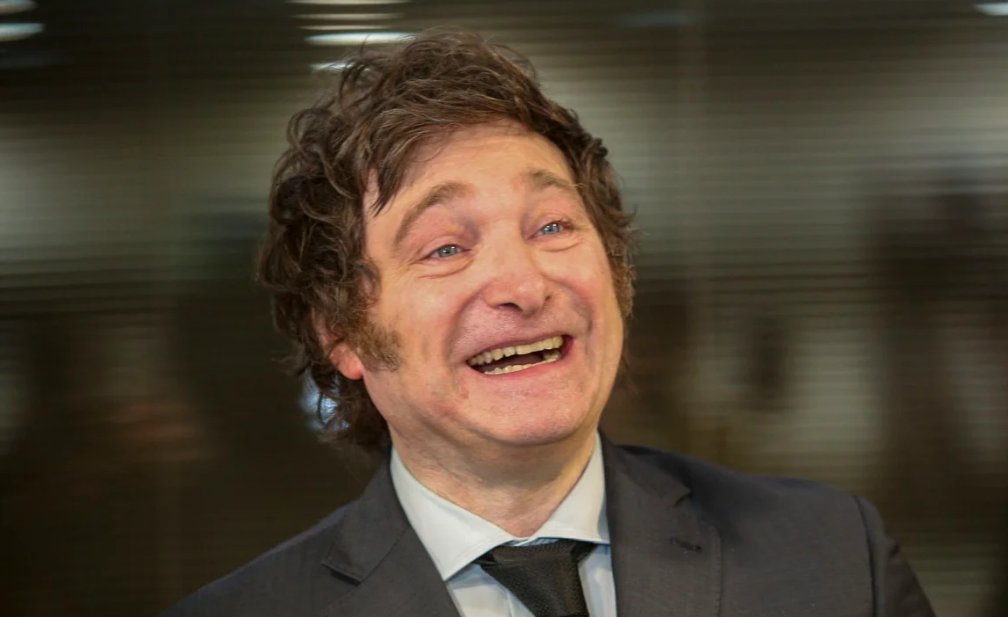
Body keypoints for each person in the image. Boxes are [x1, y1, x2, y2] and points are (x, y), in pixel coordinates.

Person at [160, 30, 935, 617]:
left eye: (553, 226)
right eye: (446, 247)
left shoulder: (834, 556)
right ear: (342, 331)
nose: (524, 285)